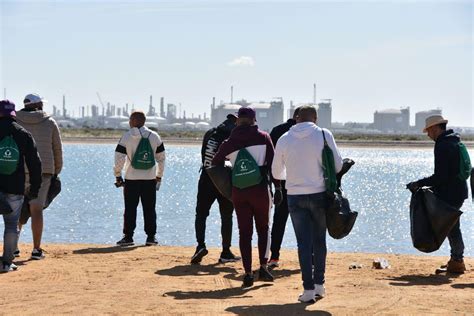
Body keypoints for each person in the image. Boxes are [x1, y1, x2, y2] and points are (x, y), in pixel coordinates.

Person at [272, 105, 343, 302]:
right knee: (319, 241)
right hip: (319, 194)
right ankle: (320, 286)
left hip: (294, 196)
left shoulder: (284, 139)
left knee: (303, 244)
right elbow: (337, 165)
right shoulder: (323, 134)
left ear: (296, 118)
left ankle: (308, 290)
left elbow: (276, 173)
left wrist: (293, 175)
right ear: (315, 118)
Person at [212, 107, 280, 288]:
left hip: (239, 191)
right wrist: (278, 187)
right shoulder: (264, 137)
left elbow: (215, 162)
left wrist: (233, 170)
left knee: (244, 233)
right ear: (253, 120)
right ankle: (263, 267)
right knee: (264, 229)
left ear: (237, 121)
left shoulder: (229, 141)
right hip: (260, 190)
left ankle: (248, 273)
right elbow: (273, 166)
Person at [407, 115, 468, 273]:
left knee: (451, 227)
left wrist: (418, 183)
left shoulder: (443, 145)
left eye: (428, 131)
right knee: (452, 226)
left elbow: (440, 176)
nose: (428, 135)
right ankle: (456, 259)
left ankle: (457, 261)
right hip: (459, 191)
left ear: (435, 128)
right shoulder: (454, 140)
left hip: (451, 193)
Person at [15, 93, 63, 260]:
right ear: (39, 105)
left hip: (19, 170)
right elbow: (57, 149)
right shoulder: (49, 122)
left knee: (16, 208)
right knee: (36, 209)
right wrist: (56, 171)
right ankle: (36, 250)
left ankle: (13, 247)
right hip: (43, 172)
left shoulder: (15, 121)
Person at [191, 114, 241, 264]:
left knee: (201, 214)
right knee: (226, 216)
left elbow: (204, 156)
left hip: (206, 176)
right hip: (224, 180)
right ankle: (226, 252)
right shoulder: (234, 136)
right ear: (236, 122)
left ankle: (200, 245)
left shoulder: (210, 133)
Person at [0, 100, 42, 272]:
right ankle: (6, 263)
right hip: (14, 187)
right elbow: (35, 164)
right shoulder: (23, 134)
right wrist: (34, 188)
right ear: (13, 114)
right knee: (11, 225)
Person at [114, 110, 166, 246]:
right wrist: (159, 176)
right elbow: (161, 159)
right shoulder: (155, 136)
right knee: (149, 208)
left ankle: (128, 237)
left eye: (130, 120)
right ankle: (151, 237)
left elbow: (119, 158)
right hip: (150, 179)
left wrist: (118, 175)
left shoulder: (126, 137)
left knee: (130, 208)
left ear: (133, 121)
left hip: (131, 178)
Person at [267, 106, 301, 268]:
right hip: (303, 184)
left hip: (281, 183)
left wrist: (276, 186)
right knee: (304, 222)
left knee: (279, 220)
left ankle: (274, 256)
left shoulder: (277, 131)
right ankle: (310, 257)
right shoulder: (312, 133)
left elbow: (271, 160)